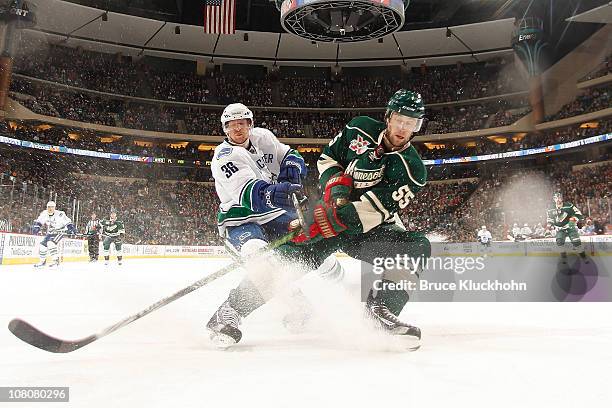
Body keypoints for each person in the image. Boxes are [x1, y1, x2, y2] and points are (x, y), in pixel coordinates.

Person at [207, 89, 431, 348]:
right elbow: (328, 159)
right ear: (388, 117)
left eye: (411, 123)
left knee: (416, 247)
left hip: (367, 229)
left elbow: (376, 209)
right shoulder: (360, 128)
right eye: (399, 120)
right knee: (284, 263)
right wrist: (336, 188)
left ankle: (379, 313)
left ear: (418, 126)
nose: (403, 128)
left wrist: (332, 217)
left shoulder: (413, 169)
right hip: (330, 215)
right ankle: (229, 312)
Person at [206, 103, 344, 346]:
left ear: (250, 124)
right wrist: (276, 192)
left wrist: (292, 168)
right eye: (231, 125)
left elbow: (289, 155)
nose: (237, 128)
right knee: (265, 264)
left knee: (315, 242)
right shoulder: (225, 157)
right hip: (241, 220)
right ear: (225, 129)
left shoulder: (263, 137)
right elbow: (250, 195)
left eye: (242, 123)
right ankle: (227, 314)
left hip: (273, 215)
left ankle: (342, 293)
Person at [32, 201, 76, 268]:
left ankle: (56, 261)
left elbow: (67, 222)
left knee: (51, 243)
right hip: (51, 231)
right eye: (48, 207)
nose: (50, 208)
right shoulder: (44, 213)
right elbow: (39, 221)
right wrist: (37, 227)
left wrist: (71, 228)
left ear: (54, 208)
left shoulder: (60, 214)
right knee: (42, 245)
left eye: (52, 207)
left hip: (60, 231)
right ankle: (42, 262)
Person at [546, 192, 587, 262]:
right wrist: (548, 229)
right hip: (560, 229)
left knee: (576, 242)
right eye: (556, 198)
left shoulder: (569, 206)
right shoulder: (550, 208)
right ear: (554, 199)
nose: (558, 199)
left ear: (562, 198)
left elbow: (578, 214)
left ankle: (584, 258)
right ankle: (564, 259)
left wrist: (572, 221)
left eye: (559, 198)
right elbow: (550, 219)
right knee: (559, 242)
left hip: (570, 227)